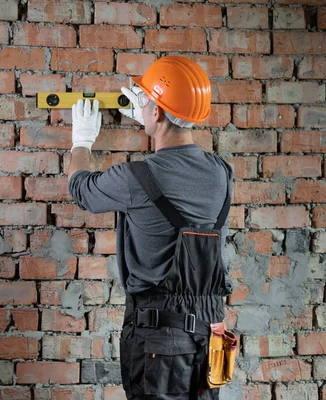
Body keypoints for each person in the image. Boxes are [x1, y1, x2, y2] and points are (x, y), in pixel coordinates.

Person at [67, 55, 234, 400]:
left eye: (147, 103)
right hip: (210, 335)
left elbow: (81, 189)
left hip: (161, 341)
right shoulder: (221, 172)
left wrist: (81, 142)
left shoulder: (133, 178)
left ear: (156, 112)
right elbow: (177, 168)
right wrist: (152, 119)